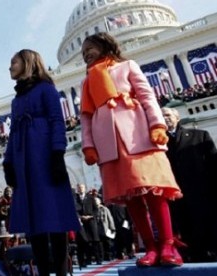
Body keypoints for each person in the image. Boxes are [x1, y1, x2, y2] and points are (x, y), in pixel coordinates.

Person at [80, 32, 183, 267]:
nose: (86, 53)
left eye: (90, 48)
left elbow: (147, 96)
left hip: (137, 135)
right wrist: (88, 145)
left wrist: (157, 124)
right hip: (110, 145)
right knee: (132, 199)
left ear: (104, 45)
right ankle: (151, 246)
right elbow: (86, 117)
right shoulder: (86, 82)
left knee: (154, 192)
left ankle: (168, 244)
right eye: (83, 51)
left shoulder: (127, 66)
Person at [2, 49, 80, 276]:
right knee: (33, 218)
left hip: (43, 156)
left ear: (27, 63)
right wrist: (8, 161)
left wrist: (57, 152)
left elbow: (57, 120)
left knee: (53, 215)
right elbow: (13, 131)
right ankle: (44, 272)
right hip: (23, 159)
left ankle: (62, 272)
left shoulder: (46, 89)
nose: (10, 67)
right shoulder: (16, 100)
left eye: (13, 62)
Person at [162, 107, 217, 262]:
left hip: (202, 192)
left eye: (167, 115)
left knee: (208, 226)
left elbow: (213, 164)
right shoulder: (159, 144)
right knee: (186, 230)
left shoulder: (199, 136)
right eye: (161, 116)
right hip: (177, 195)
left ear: (177, 117)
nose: (164, 118)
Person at [74, 183, 101, 266]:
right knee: (84, 241)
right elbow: (75, 210)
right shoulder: (75, 198)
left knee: (94, 241)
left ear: (85, 188)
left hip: (91, 221)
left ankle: (98, 259)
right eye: (79, 188)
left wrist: (90, 216)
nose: (81, 189)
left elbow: (96, 210)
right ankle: (87, 259)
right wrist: (80, 217)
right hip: (82, 222)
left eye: (82, 187)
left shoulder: (90, 197)